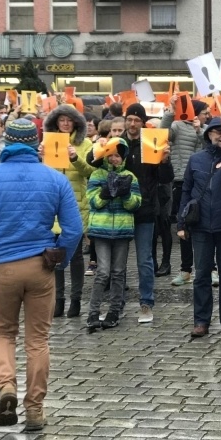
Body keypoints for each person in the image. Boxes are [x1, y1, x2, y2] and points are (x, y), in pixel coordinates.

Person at [0, 118, 83, 432]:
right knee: (38, 340)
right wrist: (60, 257)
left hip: (1, 266)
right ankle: (34, 410)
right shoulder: (54, 178)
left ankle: (6, 387)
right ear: (35, 141)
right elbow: (74, 229)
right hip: (40, 266)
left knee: (3, 333)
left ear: (8, 142)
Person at [90, 103, 173, 324]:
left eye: (137, 120)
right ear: (125, 121)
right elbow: (95, 164)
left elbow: (165, 178)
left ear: (143, 122)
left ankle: (146, 303)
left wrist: (165, 161)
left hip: (145, 210)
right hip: (119, 211)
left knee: (144, 260)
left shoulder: (151, 143)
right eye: (130, 119)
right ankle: (117, 303)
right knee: (118, 264)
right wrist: (98, 147)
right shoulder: (117, 144)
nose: (133, 123)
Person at [178, 114, 221, 338]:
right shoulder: (196, 159)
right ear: (209, 134)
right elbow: (186, 191)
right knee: (201, 277)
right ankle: (201, 321)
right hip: (200, 226)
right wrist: (181, 222)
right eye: (218, 131)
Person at [41, 104, 95, 319]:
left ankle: (76, 299)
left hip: (75, 203)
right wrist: (40, 157)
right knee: (55, 255)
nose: (65, 123)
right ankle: (59, 299)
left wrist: (75, 158)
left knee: (75, 257)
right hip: (52, 205)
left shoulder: (86, 143)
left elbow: (91, 171)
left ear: (76, 123)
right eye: (61, 120)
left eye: (69, 120)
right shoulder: (48, 142)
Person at [85, 138, 141, 330]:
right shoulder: (96, 175)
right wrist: (106, 193)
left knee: (118, 273)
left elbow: (135, 204)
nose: (114, 159)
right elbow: (93, 202)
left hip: (122, 231)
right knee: (102, 272)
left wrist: (125, 194)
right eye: (111, 156)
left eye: (117, 155)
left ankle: (114, 310)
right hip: (101, 230)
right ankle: (93, 311)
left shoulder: (130, 177)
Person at [160, 97, 210, 284]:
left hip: (203, 182)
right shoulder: (177, 125)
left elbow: (209, 149)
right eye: (205, 113)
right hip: (181, 181)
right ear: (195, 112)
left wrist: (199, 131)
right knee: (184, 226)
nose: (208, 116)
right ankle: (185, 269)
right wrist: (171, 111)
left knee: (205, 226)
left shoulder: (206, 129)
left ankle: (210, 268)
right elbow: (163, 134)